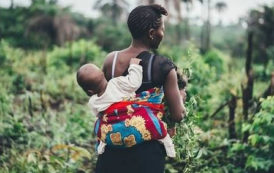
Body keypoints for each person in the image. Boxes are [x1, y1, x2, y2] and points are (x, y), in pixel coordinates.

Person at [95, 4, 186, 173]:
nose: (162, 34)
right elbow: (178, 115)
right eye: (162, 29)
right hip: (146, 155)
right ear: (152, 33)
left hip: (112, 148)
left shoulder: (111, 61)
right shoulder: (163, 66)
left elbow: (105, 98)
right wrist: (181, 96)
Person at [76, 58, 176, 157]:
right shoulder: (116, 83)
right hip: (131, 117)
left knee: (98, 124)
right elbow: (134, 83)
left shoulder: (93, 102)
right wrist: (134, 66)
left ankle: (102, 143)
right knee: (151, 120)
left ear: (89, 92)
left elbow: (99, 115)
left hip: (113, 127)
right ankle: (167, 143)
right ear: (103, 74)